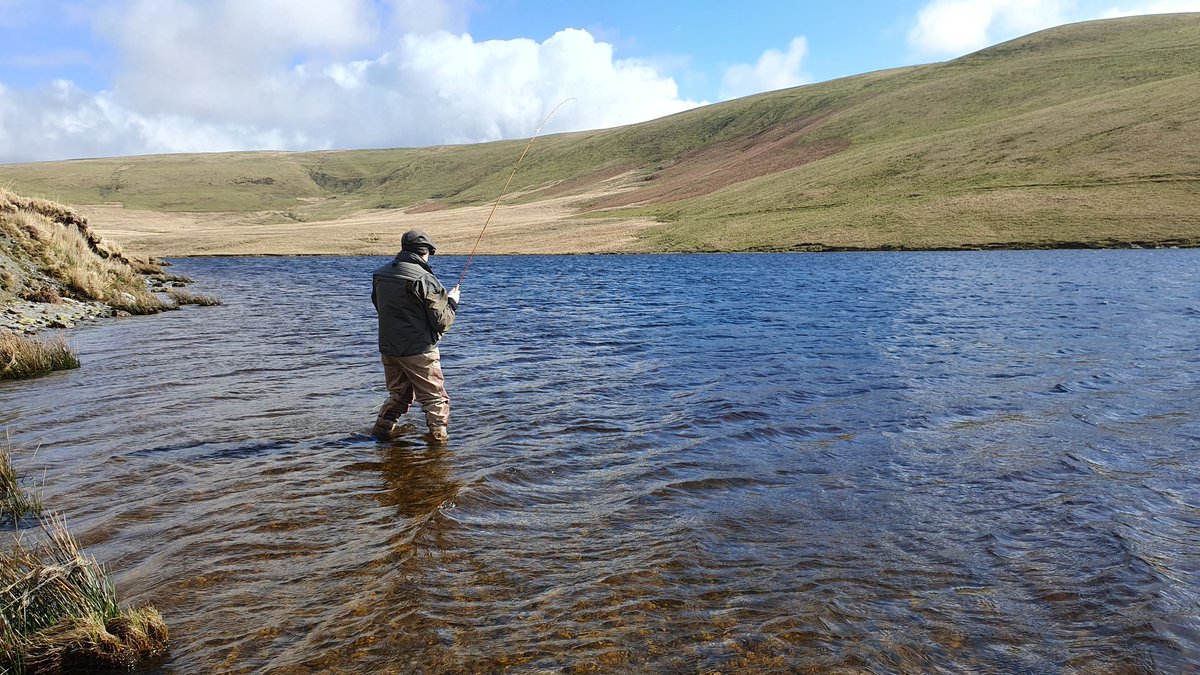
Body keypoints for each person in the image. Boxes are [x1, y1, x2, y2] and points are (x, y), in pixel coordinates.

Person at [371, 229, 460, 442]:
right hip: (418, 350)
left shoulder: (381, 274)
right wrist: (452, 302)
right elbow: (442, 321)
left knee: (399, 396)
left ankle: (379, 435)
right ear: (426, 252)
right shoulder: (425, 279)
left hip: (389, 347)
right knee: (435, 399)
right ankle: (439, 446)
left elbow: (378, 305)